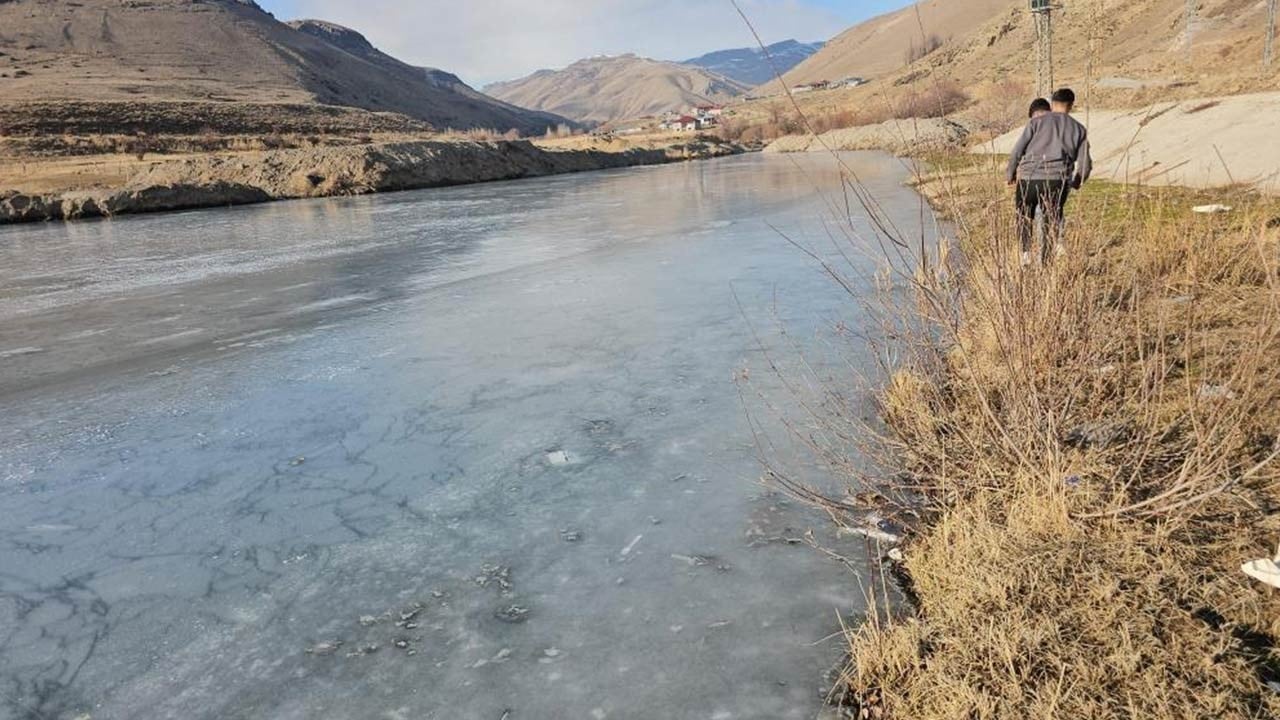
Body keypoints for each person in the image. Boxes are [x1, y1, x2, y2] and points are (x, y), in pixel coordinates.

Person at [1006, 88, 1092, 266]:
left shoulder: (1036, 122)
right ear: (1071, 105)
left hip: (1029, 178)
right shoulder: (1079, 129)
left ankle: (1025, 257)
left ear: (1052, 103)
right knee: (1050, 221)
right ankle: (1045, 263)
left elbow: (1017, 151)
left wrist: (1011, 173)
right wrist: (1077, 181)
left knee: (1024, 216)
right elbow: (1085, 165)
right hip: (1057, 180)